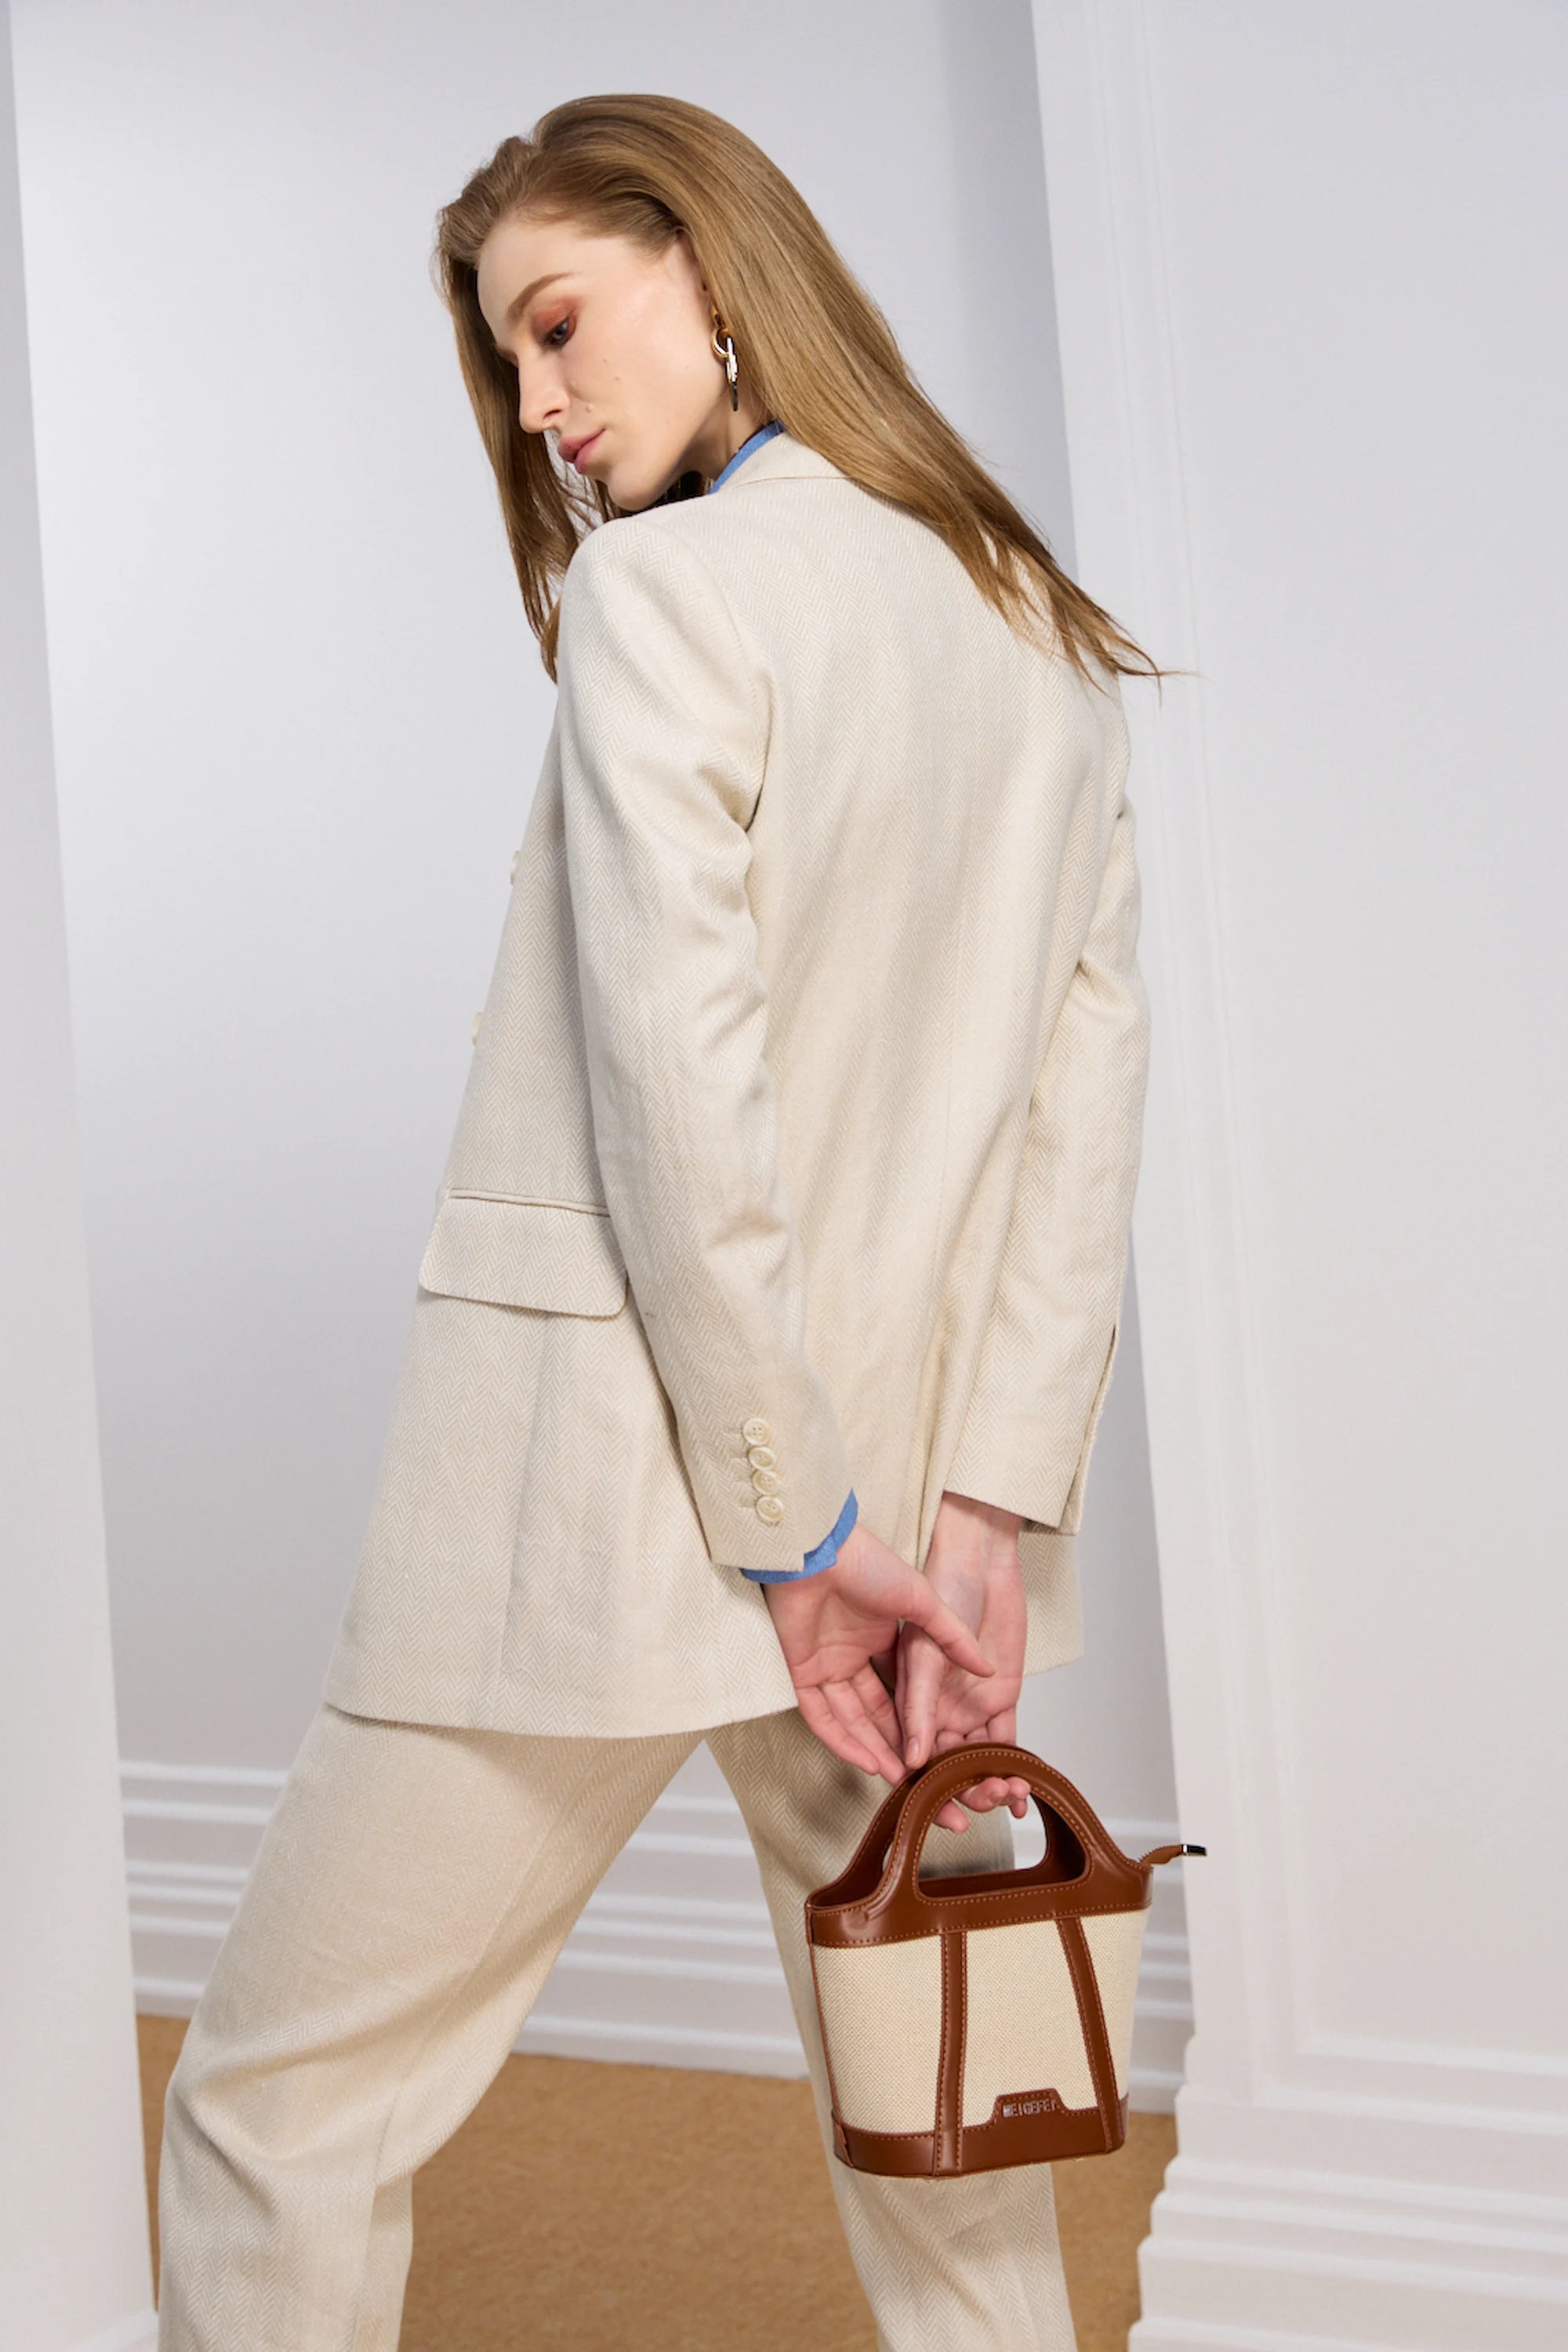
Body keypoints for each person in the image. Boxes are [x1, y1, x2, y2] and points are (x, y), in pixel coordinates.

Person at [154, 91, 1156, 2352]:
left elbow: (675, 1092)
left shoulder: (668, 591)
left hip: (626, 1509)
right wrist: (976, 1518)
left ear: (711, 267)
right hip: (904, 1531)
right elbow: (1077, 1124)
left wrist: (798, 1540)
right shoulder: (1031, 625)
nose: (539, 407)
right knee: (942, 2106)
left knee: (275, 2105)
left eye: (556, 323)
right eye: (506, 362)